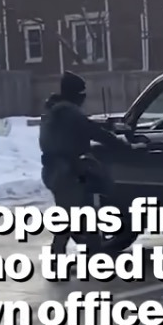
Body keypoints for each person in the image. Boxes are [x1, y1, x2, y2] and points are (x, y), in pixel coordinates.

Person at [39, 70, 131, 257]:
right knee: (75, 217)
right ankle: (69, 257)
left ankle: (82, 254)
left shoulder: (55, 111)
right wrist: (121, 144)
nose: (84, 99)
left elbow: (83, 127)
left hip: (55, 171)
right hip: (67, 173)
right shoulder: (69, 113)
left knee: (76, 215)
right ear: (75, 94)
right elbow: (93, 131)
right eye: (82, 94)